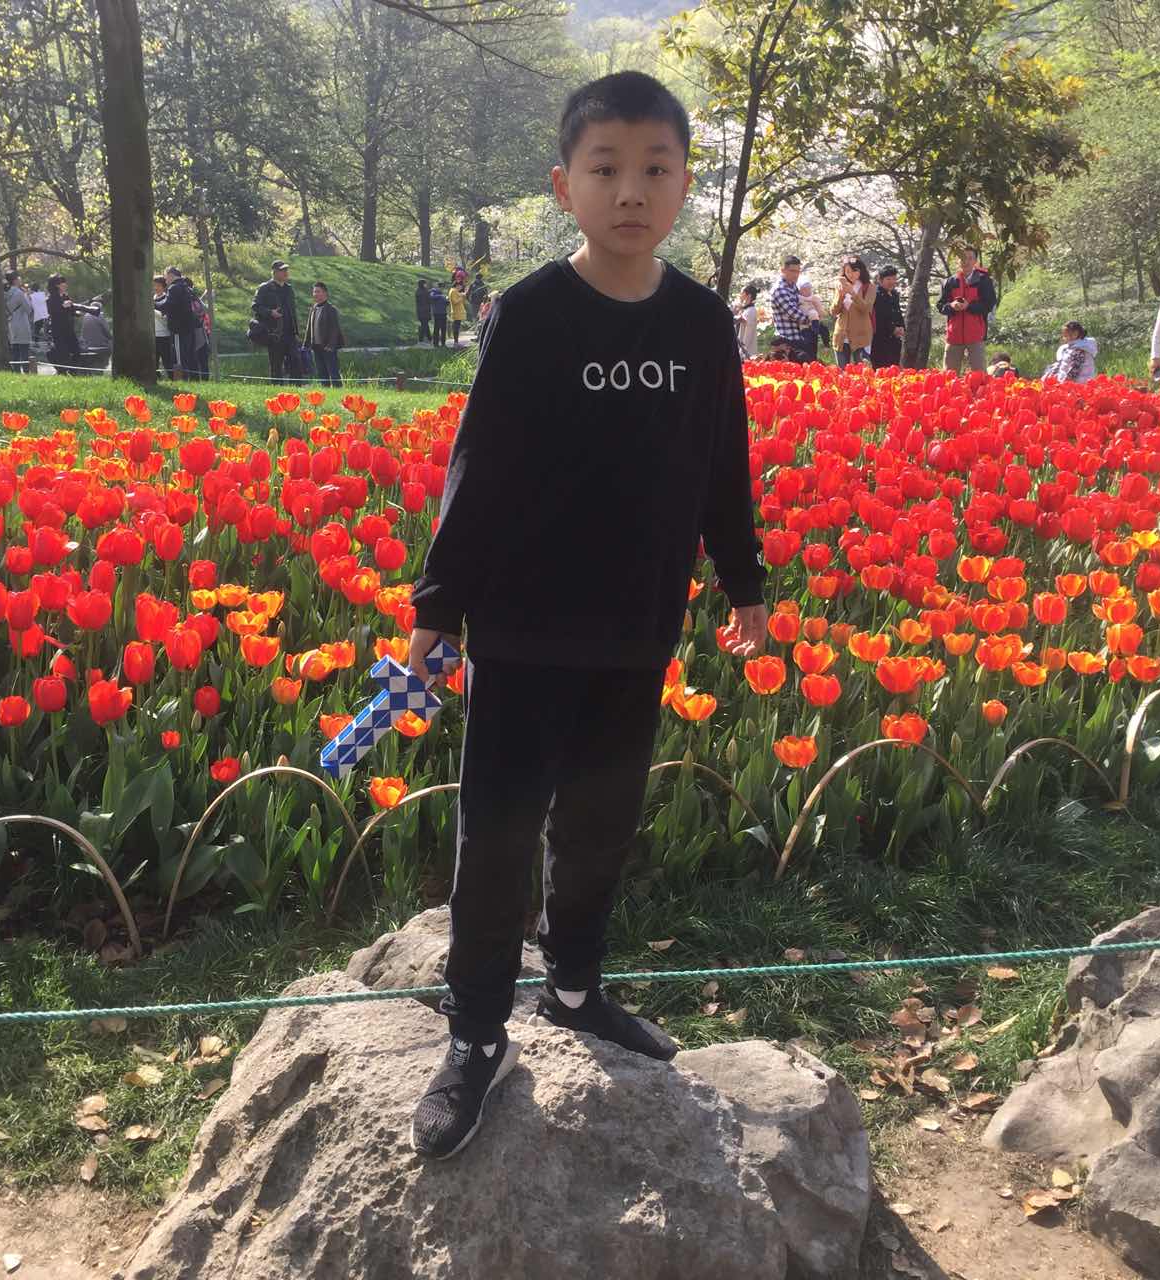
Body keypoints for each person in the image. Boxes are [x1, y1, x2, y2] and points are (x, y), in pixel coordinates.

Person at [406, 69, 768, 1161]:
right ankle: (476, 1029)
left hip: (635, 624)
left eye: (655, 168)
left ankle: (573, 987)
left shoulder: (701, 322)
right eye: (605, 168)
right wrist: (439, 604)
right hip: (522, 627)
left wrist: (744, 583)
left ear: (685, 184)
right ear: (565, 184)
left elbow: (723, 464)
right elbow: (479, 466)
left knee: (601, 822)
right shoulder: (530, 315)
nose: (631, 191)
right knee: (498, 832)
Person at [936, 246, 996, 374]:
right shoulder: (950, 282)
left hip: (976, 335)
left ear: (975, 261)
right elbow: (940, 305)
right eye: (963, 258)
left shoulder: (983, 280)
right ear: (958, 260)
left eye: (970, 258)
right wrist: (951, 306)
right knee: (949, 376)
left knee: (979, 376)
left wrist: (969, 306)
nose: (966, 261)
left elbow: (989, 305)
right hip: (954, 336)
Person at [252, 260, 299, 383]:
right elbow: (255, 306)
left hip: (290, 333)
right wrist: (270, 312)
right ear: (274, 272)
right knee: (276, 366)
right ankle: (278, 391)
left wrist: (296, 331)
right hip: (274, 334)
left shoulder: (289, 289)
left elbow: (292, 311)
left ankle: (296, 390)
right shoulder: (265, 288)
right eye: (282, 270)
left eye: (286, 270)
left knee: (296, 363)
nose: (285, 272)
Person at [831, 256, 876, 367]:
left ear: (861, 271)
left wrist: (852, 293)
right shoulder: (840, 286)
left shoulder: (869, 287)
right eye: (848, 271)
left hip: (861, 336)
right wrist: (840, 295)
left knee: (861, 370)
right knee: (842, 371)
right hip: (841, 335)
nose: (851, 274)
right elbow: (834, 311)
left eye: (855, 271)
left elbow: (866, 308)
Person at [770, 255, 816, 361]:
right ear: (783, 270)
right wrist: (814, 319)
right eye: (792, 271)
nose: (796, 274)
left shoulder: (793, 286)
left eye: (798, 271)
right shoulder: (780, 290)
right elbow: (794, 314)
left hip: (800, 338)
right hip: (788, 340)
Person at [156, 266, 197, 380]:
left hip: (179, 329)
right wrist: (156, 302)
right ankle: (193, 379)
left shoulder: (174, 288)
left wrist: (153, 304)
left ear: (170, 275)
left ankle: (181, 380)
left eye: (166, 277)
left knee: (179, 357)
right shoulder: (184, 286)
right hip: (188, 327)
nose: (165, 281)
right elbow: (167, 301)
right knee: (189, 355)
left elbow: (167, 305)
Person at [305, 280, 346, 387]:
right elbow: (309, 328)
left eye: (318, 291)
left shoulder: (331, 309)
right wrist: (306, 344)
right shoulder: (313, 308)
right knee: (321, 372)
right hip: (316, 346)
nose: (315, 294)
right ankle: (325, 390)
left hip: (328, 347)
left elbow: (334, 329)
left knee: (333, 371)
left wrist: (330, 345)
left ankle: (338, 389)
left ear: (325, 293)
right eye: (314, 292)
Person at [46, 274, 81, 374]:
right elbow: (52, 311)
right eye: (63, 283)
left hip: (68, 328)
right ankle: (62, 371)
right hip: (58, 330)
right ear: (57, 285)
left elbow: (71, 310)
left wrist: (76, 312)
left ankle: (73, 371)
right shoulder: (51, 299)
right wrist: (63, 306)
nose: (65, 284)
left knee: (76, 350)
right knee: (62, 352)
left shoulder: (66, 296)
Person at [870, 266, 905, 369]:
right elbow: (879, 317)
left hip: (895, 339)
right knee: (881, 369)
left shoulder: (894, 294)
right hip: (880, 339)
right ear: (880, 280)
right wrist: (893, 329)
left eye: (894, 279)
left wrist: (902, 327)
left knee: (894, 368)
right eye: (888, 279)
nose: (892, 282)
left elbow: (898, 313)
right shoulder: (876, 295)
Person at [3, 271, 33, 373]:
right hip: (22, 324)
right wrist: (28, 297)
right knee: (24, 350)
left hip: (10, 324)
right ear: (15, 280)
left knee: (14, 351)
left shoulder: (4, 293)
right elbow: (29, 309)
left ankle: (16, 373)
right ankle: (26, 372)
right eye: (19, 278)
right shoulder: (20, 293)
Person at [796, 280, 828, 360]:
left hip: (815, 322)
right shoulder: (797, 299)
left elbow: (823, 314)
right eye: (804, 289)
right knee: (808, 346)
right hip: (804, 326)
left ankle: (826, 346)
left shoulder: (815, 298)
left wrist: (816, 304)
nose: (807, 291)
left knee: (823, 331)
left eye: (809, 289)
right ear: (800, 290)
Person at [81, 299, 112, 372]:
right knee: (112, 345)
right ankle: (106, 365)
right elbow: (107, 332)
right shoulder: (99, 316)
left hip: (87, 345)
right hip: (100, 345)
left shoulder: (85, 316)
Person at [732, 282, 759, 359]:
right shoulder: (745, 310)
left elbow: (748, 335)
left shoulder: (751, 311)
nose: (740, 295)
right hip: (740, 351)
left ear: (749, 296)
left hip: (746, 354)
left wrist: (742, 353)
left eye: (742, 293)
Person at [152, 275, 172, 372]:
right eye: (154, 285)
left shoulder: (166, 299)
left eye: (158, 285)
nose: (156, 288)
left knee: (167, 362)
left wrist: (152, 310)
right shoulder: (152, 299)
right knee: (153, 362)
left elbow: (166, 319)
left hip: (164, 336)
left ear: (164, 286)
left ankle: (172, 379)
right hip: (153, 336)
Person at [428, 282, 448, 347]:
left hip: (444, 313)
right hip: (437, 313)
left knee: (443, 329)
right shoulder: (433, 291)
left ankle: (443, 343)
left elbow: (446, 303)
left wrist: (447, 300)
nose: (443, 289)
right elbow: (431, 297)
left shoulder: (443, 294)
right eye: (442, 288)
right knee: (437, 328)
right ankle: (435, 343)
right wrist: (441, 296)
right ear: (439, 287)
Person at [448, 279, 468, 345]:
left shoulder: (456, 291)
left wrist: (463, 295)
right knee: (456, 327)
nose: (461, 287)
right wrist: (461, 296)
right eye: (461, 286)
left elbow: (462, 301)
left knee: (457, 326)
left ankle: (456, 341)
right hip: (456, 312)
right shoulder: (453, 291)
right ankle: (456, 342)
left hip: (458, 312)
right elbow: (455, 301)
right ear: (457, 285)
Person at [415, 279, 432, 343]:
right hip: (425, 311)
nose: (426, 285)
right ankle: (421, 339)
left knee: (425, 324)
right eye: (425, 283)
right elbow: (428, 300)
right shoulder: (425, 291)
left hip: (420, 311)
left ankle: (429, 338)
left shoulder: (417, 291)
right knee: (424, 325)